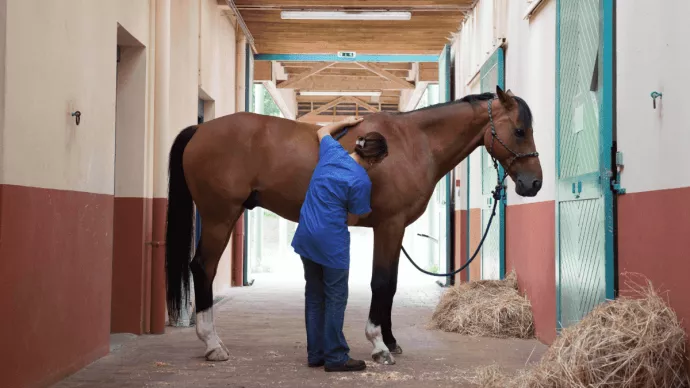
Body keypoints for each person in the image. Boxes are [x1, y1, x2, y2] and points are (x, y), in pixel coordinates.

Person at [291, 116, 389, 372]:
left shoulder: (333, 151)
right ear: (373, 160)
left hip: (306, 233)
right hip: (331, 242)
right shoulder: (361, 180)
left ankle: (316, 354)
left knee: (314, 295)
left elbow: (322, 130)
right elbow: (354, 217)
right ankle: (335, 357)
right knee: (335, 297)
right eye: (379, 162)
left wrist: (345, 121)